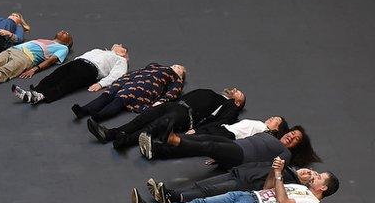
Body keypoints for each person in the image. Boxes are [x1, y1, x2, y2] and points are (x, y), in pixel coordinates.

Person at [132, 157, 335, 203]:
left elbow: (283, 201)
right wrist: (275, 172)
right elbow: (267, 189)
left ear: (323, 188)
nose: (314, 177)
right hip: (249, 196)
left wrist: (280, 177)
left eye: (319, 178)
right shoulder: (302, 188)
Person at [89, 87, 247, 148]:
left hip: (186, 115)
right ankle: (110, 133)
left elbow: (224, 121)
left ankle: (124, 142)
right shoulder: (212, 93)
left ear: (239, 102)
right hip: (176, 105)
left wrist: (197, 130)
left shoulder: (230, 106)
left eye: (239, 92)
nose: (234, 89)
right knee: (142, 119)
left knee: (154, 127)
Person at [141, 125, 321, 168]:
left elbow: (265, 168)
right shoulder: (270, 135)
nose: (291, 137)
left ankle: (172, 139)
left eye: (296, 139)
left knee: (207, 146)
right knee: (203, 139)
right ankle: (155, 149)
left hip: (241, 156)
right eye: (293, 133)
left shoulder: (285, 154)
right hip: (233, 146)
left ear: (297, 146)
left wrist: (236, 167)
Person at [146, 162, 321, 203]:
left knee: (208, 190)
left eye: (310, 176)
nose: (307, 172)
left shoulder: (289, 181)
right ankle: (168, 193)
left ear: (306, 182)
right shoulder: (286, 166)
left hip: (245, 184)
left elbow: (269, 186)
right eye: (308, 170)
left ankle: (171, 197)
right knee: (200, 185)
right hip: (238, 173)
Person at [14, 44, 128, 105]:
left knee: (67, 83)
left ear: (123, 53)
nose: (119, 44)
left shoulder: (121, 60)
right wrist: (74, 62)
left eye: (121, 45)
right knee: (53, 76)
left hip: (91, 69)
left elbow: (117, 74)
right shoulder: (100, 50)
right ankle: (32, 93)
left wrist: (101, 84)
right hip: (77, 62)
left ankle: (41, 96)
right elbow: (84, 55)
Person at [72, 63, 186, 123]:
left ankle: (99, 116)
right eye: (175, 65)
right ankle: (83, 110)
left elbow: (173, 92)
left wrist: (161, 101)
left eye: (179, 68)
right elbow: (138, 71)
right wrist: (122, 79)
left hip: (145, 87)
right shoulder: (156, 66)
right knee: (107, 95)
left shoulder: (176, 79)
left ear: (181, 75)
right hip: (132, 80)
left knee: (121, 99)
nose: (175, 66)